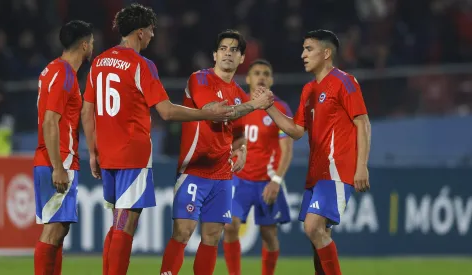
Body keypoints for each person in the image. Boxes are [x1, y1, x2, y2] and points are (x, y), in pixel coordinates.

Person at [80, 4, 233, 275]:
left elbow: (88, 109)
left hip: (107, 154)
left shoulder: (99, 62)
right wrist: (205, 113)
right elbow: (166, 111)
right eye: (151, 31)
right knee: (126, 223)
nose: (152, 36)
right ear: (139, 32)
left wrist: (92, 151)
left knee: (117, 220)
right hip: (132, 154)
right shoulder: (141, 64)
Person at [256, 29, 371, 275]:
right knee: (317, 237)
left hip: (337, 169)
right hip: (316, 173)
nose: (303, 55)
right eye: (303, 49)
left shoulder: (344, 81)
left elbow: (363, 122)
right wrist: (269, 107)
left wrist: (362, 165)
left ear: (326, 53)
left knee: (313, 227)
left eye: (309, 49)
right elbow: (296, 131)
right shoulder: (309, 90)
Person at [159, 30, 274, 275]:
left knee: (212, 236)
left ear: (242, 58)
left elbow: (240, 132)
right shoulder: (199, 79)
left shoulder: (239, 95)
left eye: (234, 50)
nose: (228, 53)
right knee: (183, 231)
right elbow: (213, 110)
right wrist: (255, 104)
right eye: (223, 48)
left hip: (222, 176)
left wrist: (241, 149)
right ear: (214, 54)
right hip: (194, 169)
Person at [33, 20, 94, 275]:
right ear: (83, 45)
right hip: (57, 159)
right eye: (91, 42)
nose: (92, 46)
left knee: (61, 229)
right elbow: (50, 121)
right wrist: (58, 166)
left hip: (60, 158)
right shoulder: (64, 73)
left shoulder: (54, 70)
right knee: (53, 230)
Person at [222, 59, 294, 275]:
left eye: (265, 73)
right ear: (248, 78)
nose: (261, 77)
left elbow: (287, 150)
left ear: (271, 80)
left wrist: (277, 180)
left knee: (269, 235)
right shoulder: (240, 106)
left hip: (266, 181)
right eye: (256, 73)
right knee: (230, 226)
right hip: (240, 179)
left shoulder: (281, 109)